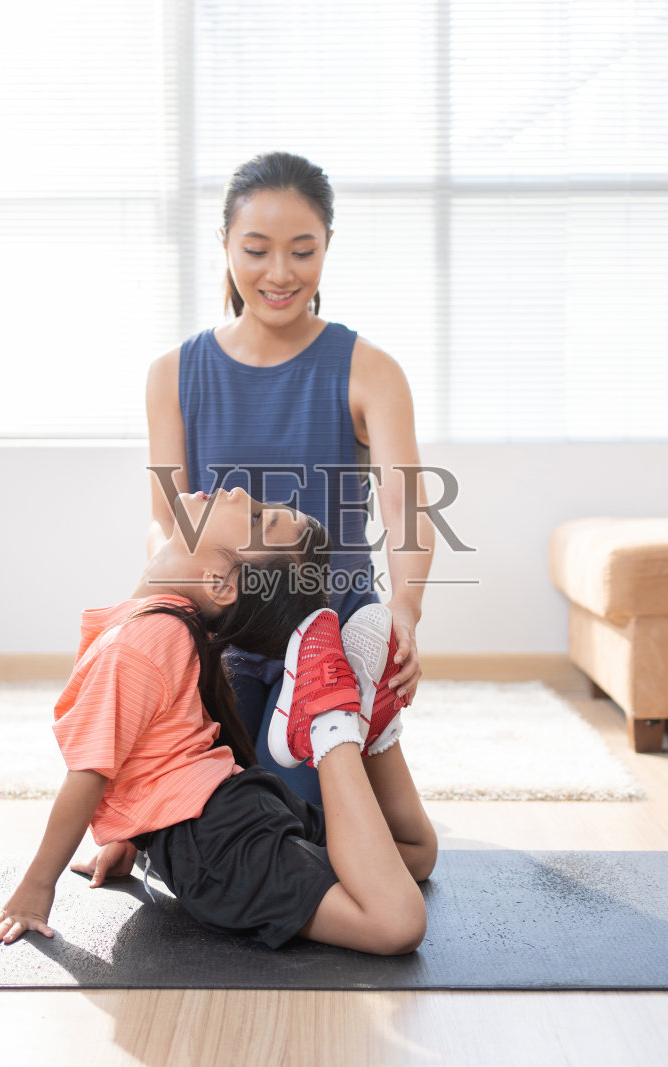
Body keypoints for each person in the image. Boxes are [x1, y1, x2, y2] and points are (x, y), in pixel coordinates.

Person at [0, 485, 437, 954]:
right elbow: (157, 745)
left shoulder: (142, 638)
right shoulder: (169, 621)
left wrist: (35, 890)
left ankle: (330, 721)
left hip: (217, 843)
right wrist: (133, 834)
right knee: (415, 855)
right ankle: (368, 722)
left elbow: (91, 773)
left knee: (395, 923)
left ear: (219, 582)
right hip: (233, 807)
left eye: (257, 517)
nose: (239, 492)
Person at [144, 150, 437, 805]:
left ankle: (364, 731)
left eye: (302, 251)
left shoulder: (370, 369)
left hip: (332, 630)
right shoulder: (172, 374)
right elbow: (167, 523)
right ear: (225, 245)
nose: (279, 273)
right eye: (256, 249)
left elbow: (405, 509)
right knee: (215, 813)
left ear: (328, 246)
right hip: (228, 633)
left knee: (297, 818)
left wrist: (405, 615)